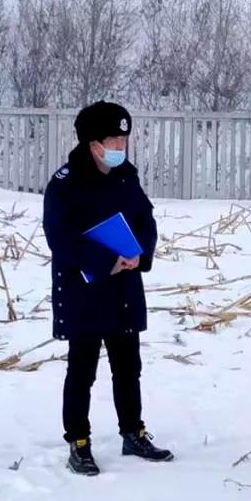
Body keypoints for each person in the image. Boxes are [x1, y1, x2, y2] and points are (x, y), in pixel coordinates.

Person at [42, 100, 172, 476]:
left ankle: (133, 432)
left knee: (128, 367)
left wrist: (140, 253)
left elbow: (145, 219)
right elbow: (60, 238)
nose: (120, 147)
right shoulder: (65, 184)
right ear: (92, 143)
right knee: (82, 371)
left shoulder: (125, 177)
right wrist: (104, 260)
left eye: (123, 140)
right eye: (113, 140)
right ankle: (79, 442)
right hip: (84, 291)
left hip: (123, 289)